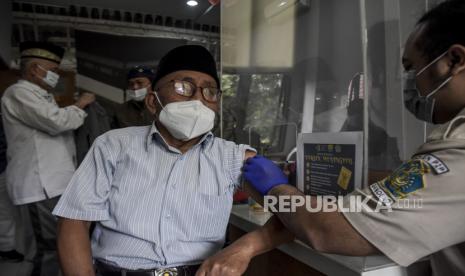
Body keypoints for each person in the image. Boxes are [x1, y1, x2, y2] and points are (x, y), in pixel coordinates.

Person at [196, 1, 465, 275]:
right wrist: (334, 173)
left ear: (454, 61)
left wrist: (275, 189)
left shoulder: (458, 151)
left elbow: (330, 230)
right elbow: (409, 182)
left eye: (410, 68)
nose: (407, 82)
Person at [52, 45, 264, 276]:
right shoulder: (113, 146)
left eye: (210, 91)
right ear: (153, 101)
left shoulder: (234, 157)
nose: (197, 100)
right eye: (184, 87)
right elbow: (74, 221)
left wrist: (246, 247)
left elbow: (292, 209)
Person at [1, 41, 95, 275]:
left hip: (52, 184)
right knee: (47, 249)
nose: (55, 76)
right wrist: (81, 104)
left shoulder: (42, 95)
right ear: (34, 69)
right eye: (52, 71)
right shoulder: (19, 93)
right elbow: (56, 122)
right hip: (37, 185)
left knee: (57, 245)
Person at [0, 113, 23, 263]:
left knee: (5, 211)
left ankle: (6, 248)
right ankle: (6, 248)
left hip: (3, 166)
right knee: (4, 211)